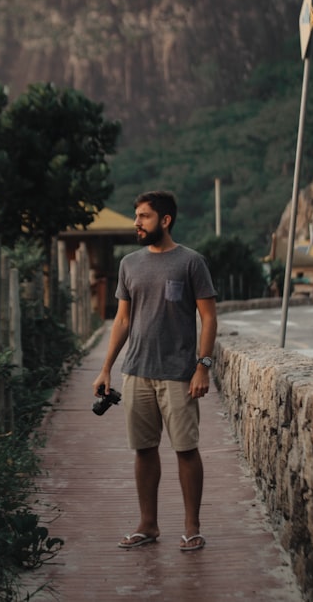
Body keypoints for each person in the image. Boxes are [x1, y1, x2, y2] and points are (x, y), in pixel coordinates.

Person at [92, 190, 218, 552]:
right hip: (136, 373)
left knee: (185, 449)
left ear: (165, 220)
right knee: (144, 450)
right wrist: (106, 370)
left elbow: (208, 318)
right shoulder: (129, 264)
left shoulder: (191, 262)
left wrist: (203, 367)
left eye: (144, 217)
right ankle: (148, 525)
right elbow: (122, 320)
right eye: (136, 216)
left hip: (179, 373)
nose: (137, 223)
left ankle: (192, 527)